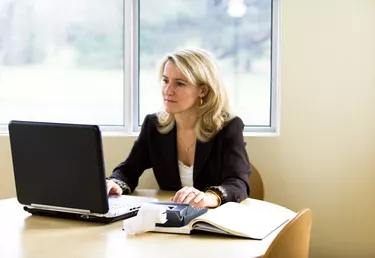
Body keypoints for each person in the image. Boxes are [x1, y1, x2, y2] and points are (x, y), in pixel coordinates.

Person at [107, 48, 251, 208]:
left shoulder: (228, 127)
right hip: (169, 220)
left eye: (180, 83)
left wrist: (207, 197)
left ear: (203, 90)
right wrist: (115, 184)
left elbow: (238, 183)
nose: (168, 90)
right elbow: (128, 170)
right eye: (165, 80)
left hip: (211, 220)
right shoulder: (153, 125)